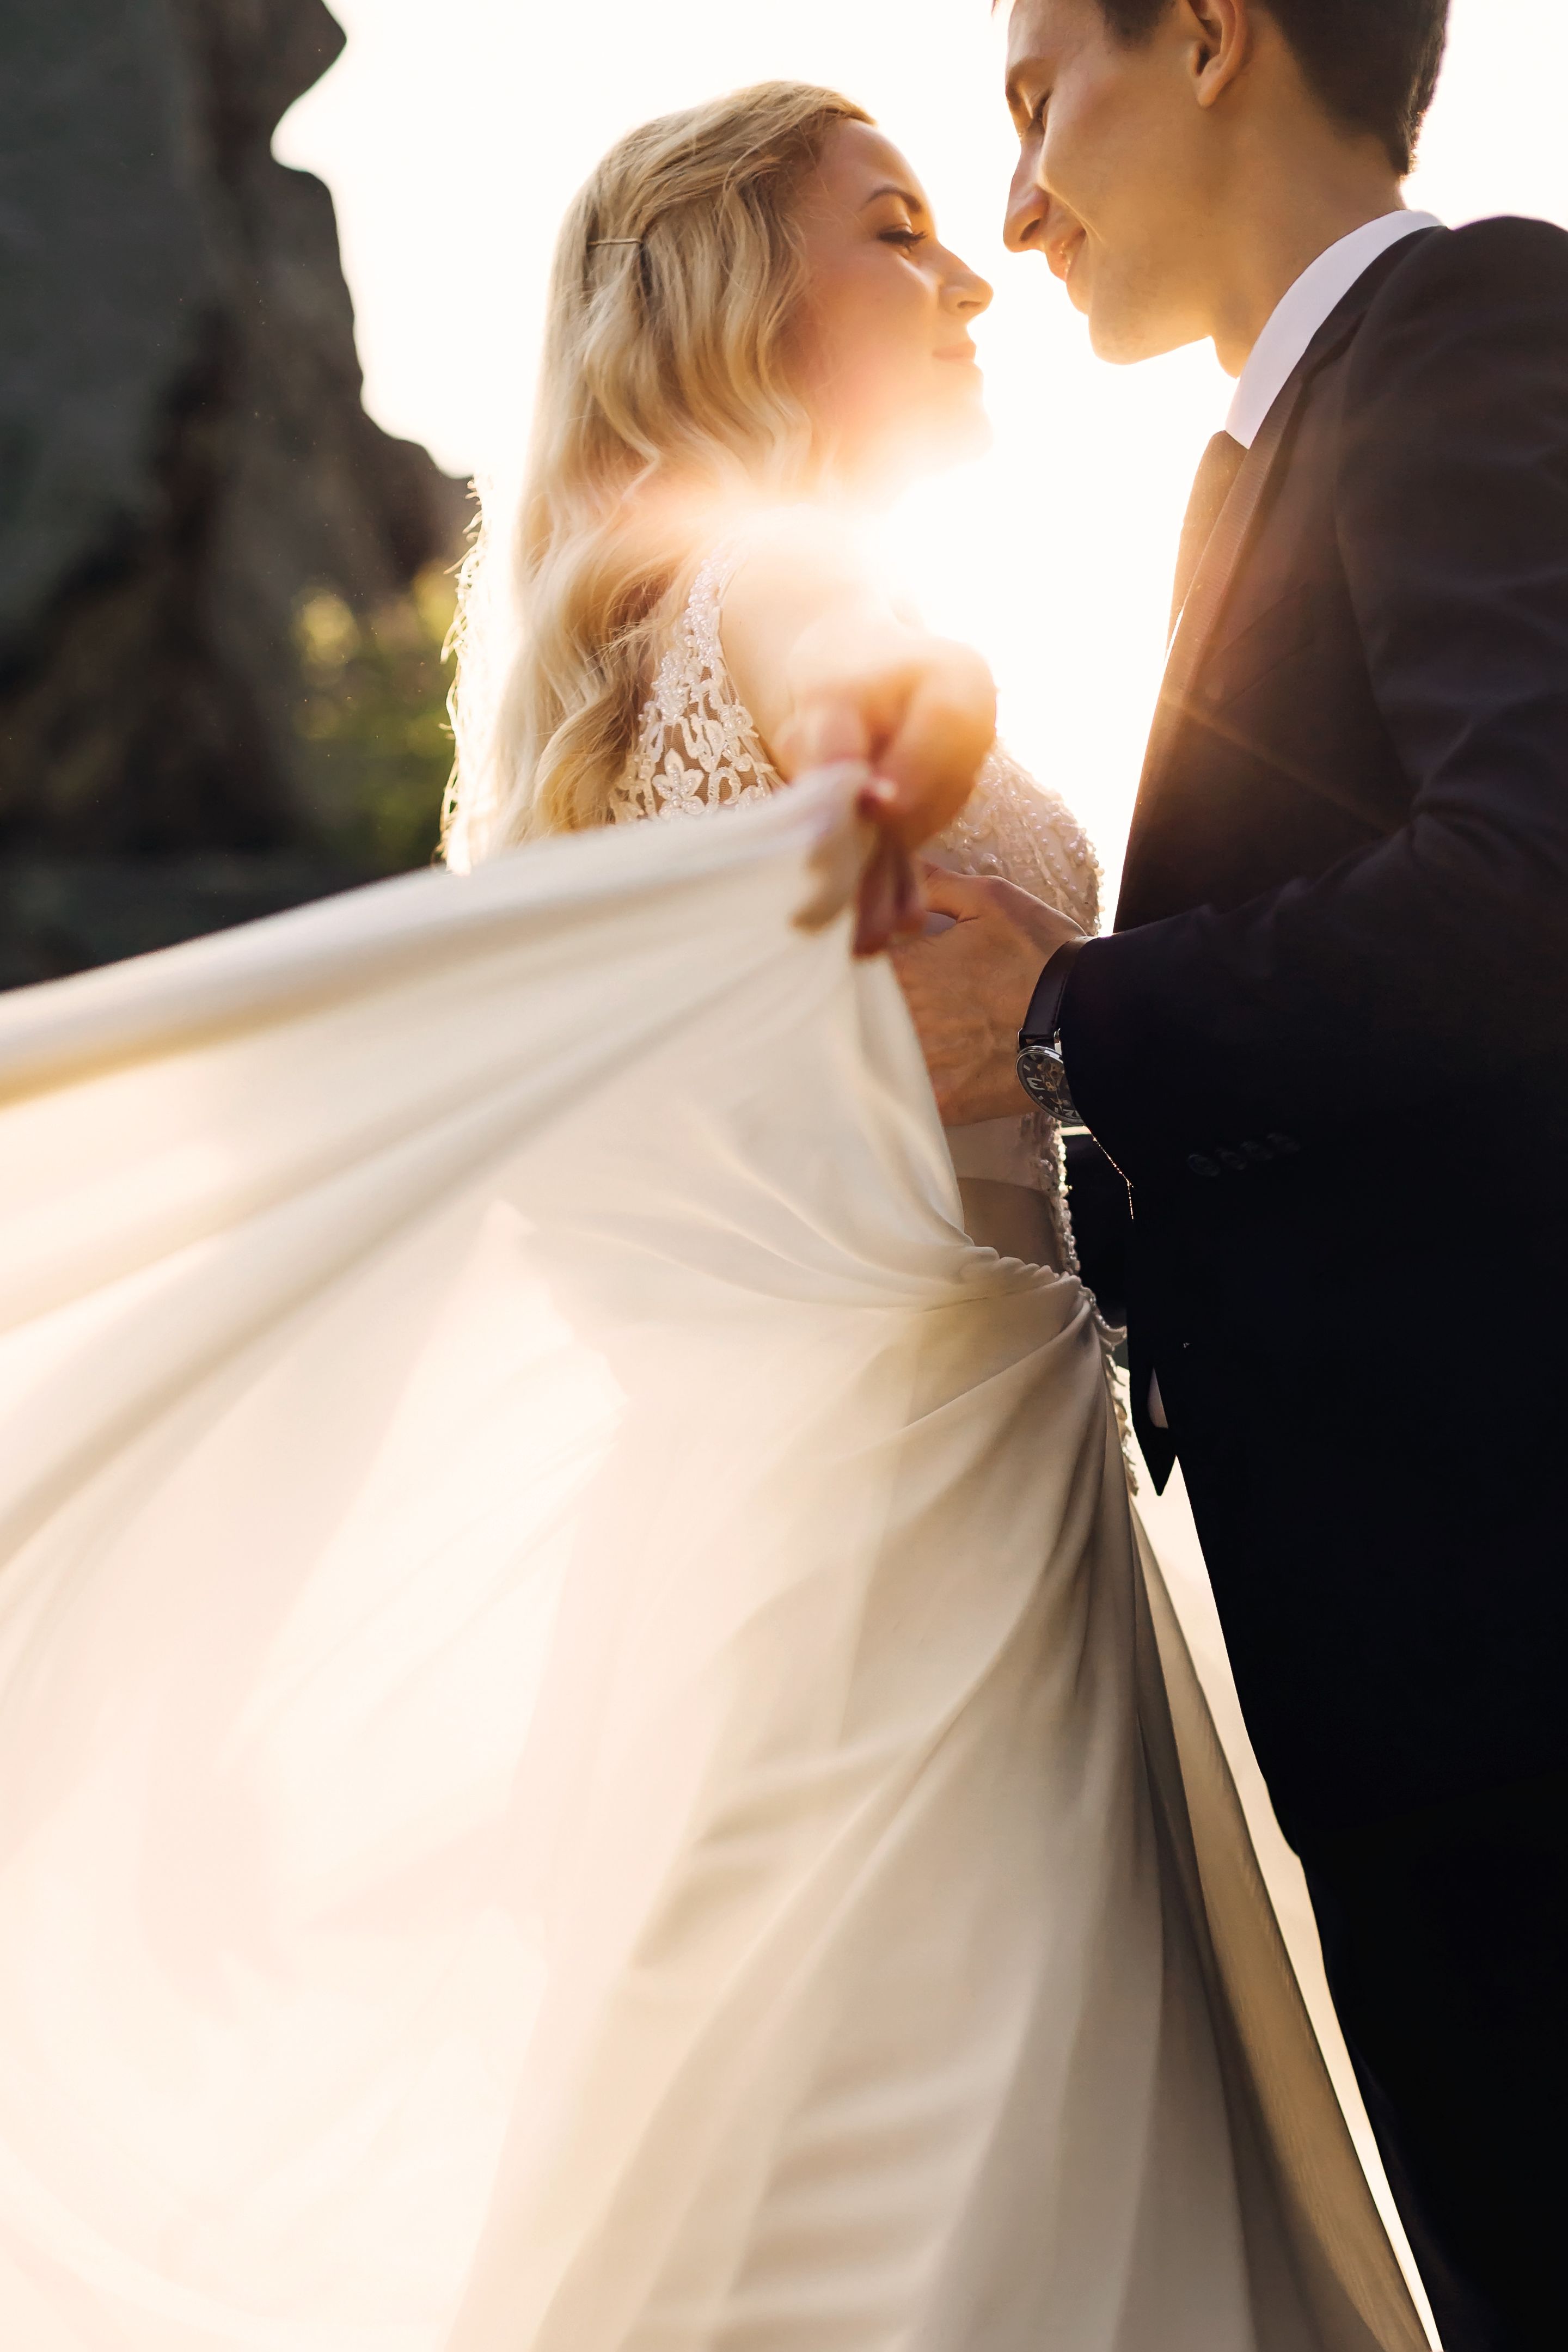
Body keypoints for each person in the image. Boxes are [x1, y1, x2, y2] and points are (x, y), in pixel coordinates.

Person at [0, 77, 1427, 2352]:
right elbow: (870, 678)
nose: (970, 277)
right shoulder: (778, 580)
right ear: (740, 301)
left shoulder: (614, 669)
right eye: (896, 233)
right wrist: (916, 709)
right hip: (922, 1564)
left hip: (796, 1544)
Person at [880, 4, 1568, 2344]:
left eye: (1030, 96)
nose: (1014, 204)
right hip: (1419, 1678)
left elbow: (1535, 885)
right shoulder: (1262, 463)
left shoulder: (1470, 334)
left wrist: (1063, 1020)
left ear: (1201, 37)